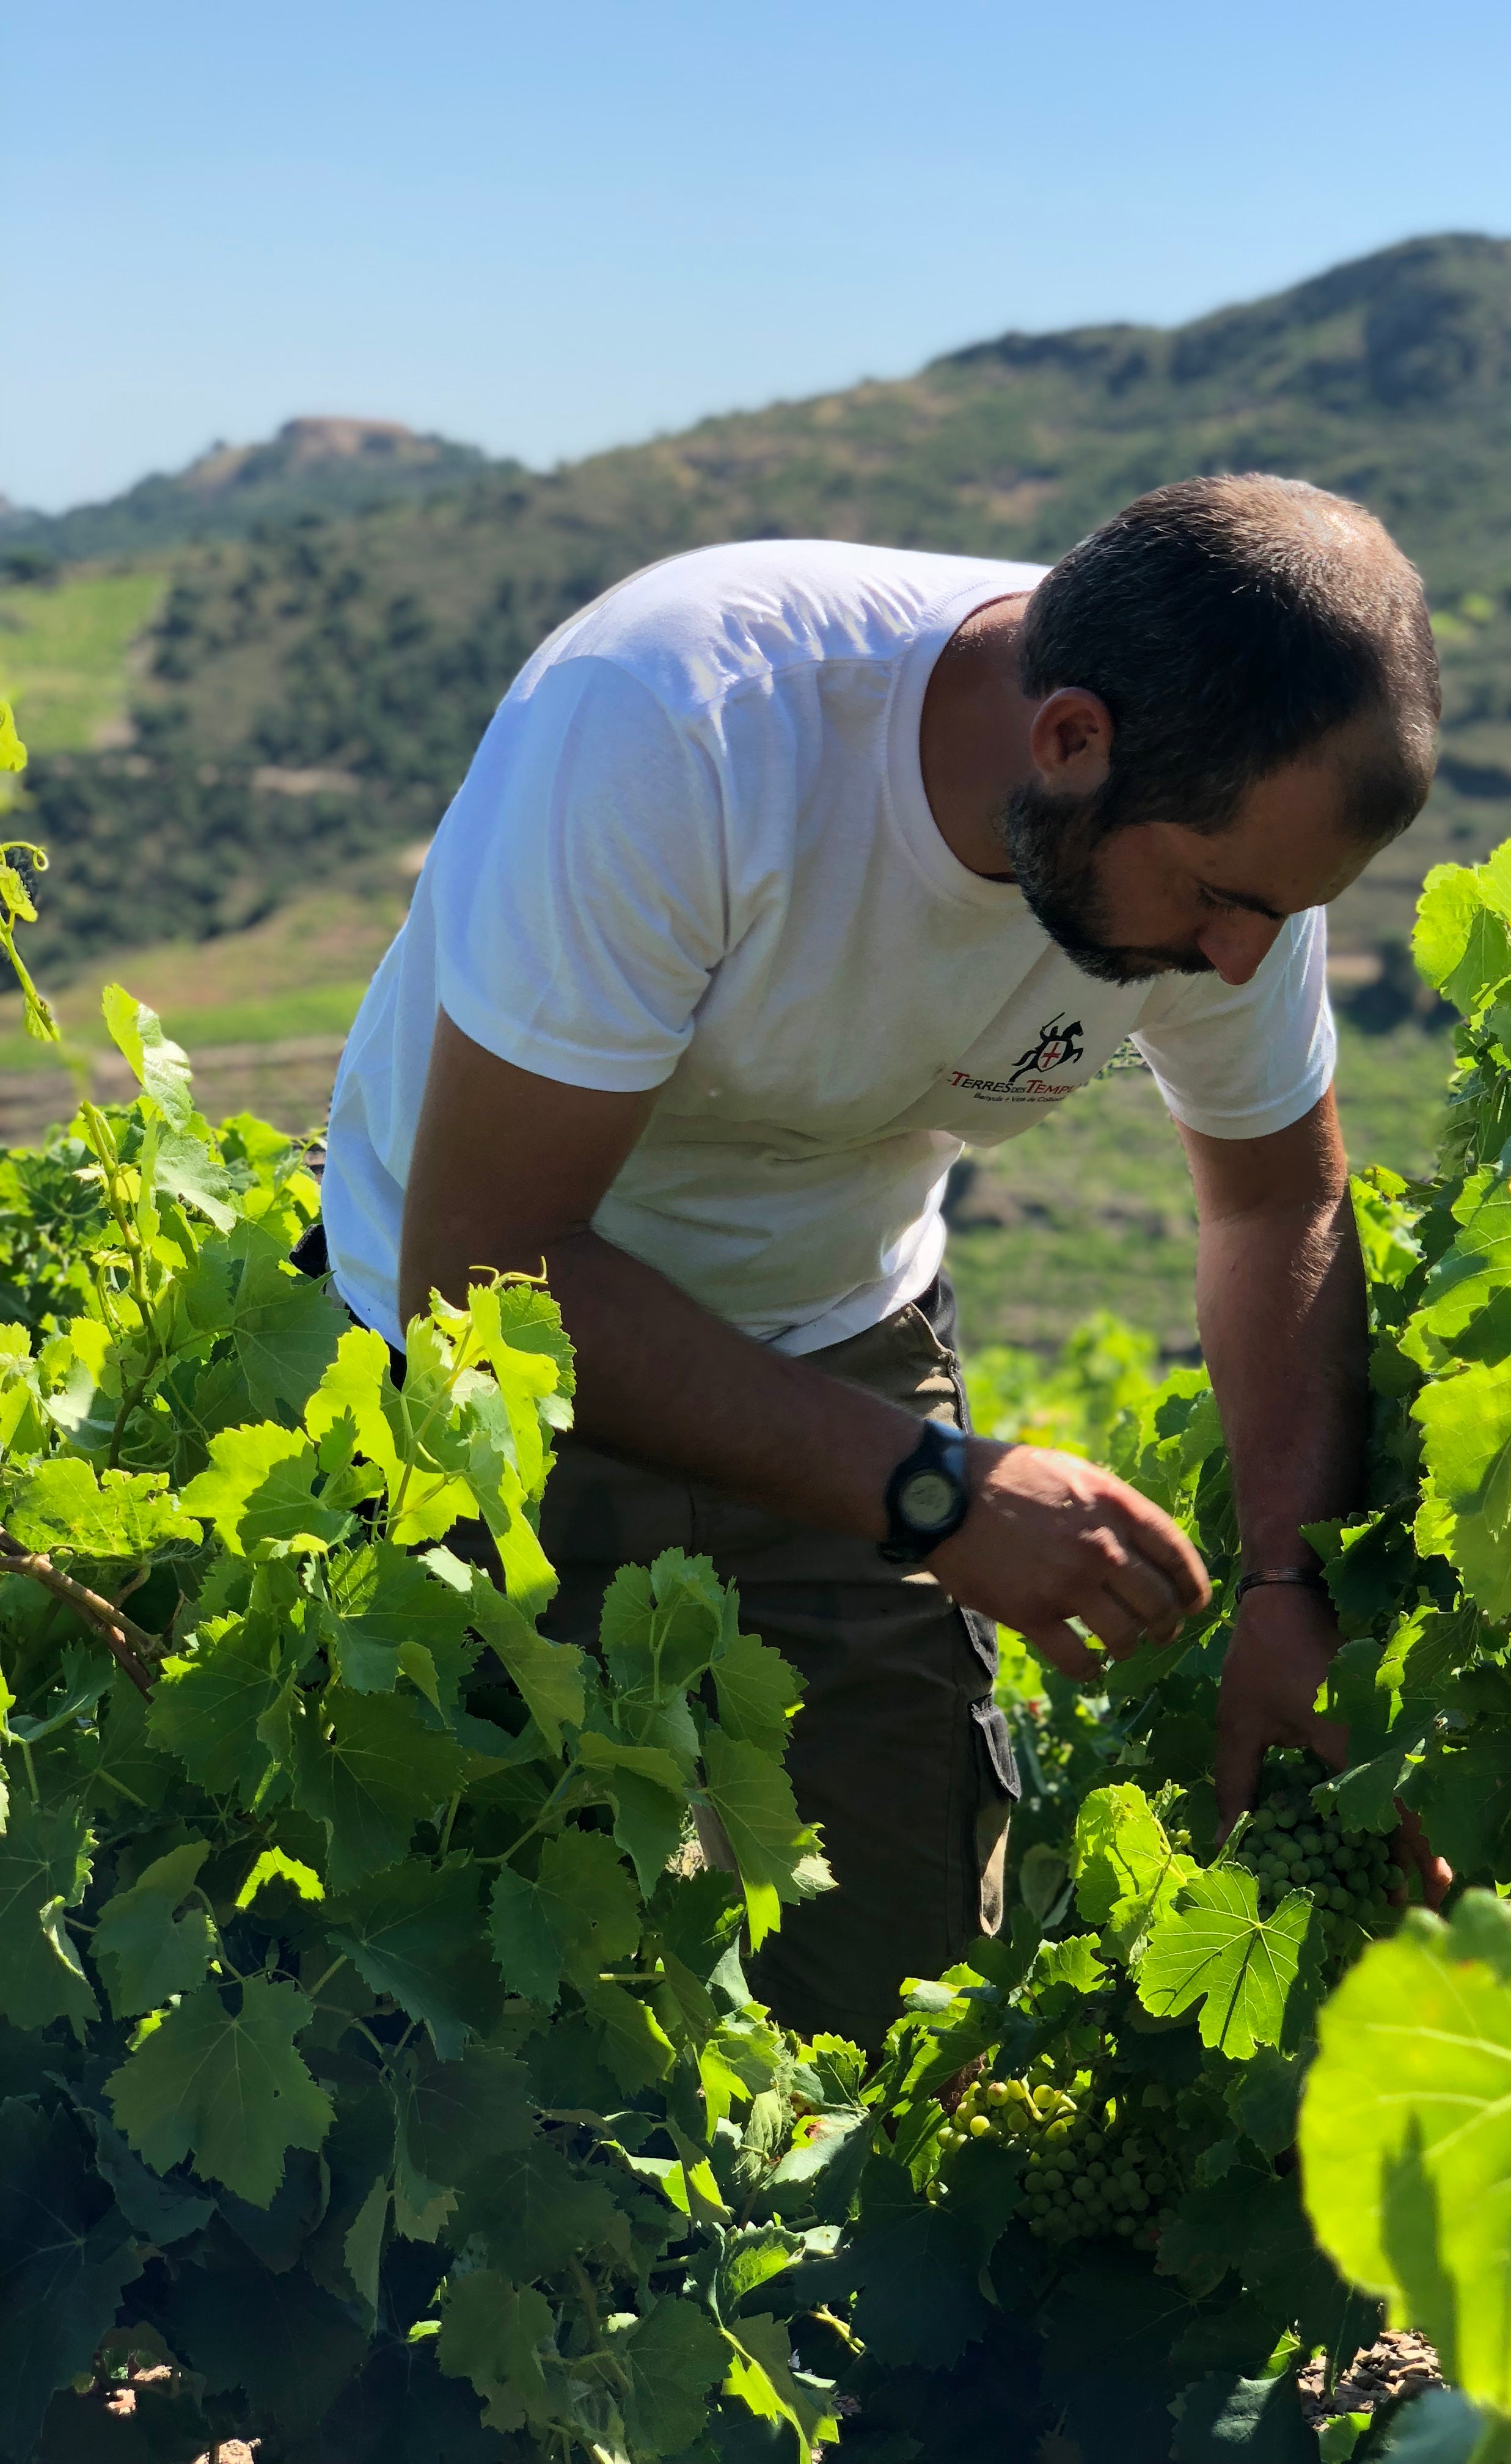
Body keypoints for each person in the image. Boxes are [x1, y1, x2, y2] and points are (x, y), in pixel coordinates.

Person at [318, 472, 1450, 2047]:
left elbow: (1275, 1206)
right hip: (483, 1364)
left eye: (1283, 913)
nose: (1240, 958)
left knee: (909, 1994)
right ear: (1068, 742)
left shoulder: (1230, 828)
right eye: (1219, 902)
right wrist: (938, 1492)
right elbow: (488, 1265)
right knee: (498, 1994)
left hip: (847, 1327)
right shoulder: (679, 725)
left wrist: (1288, 1581)